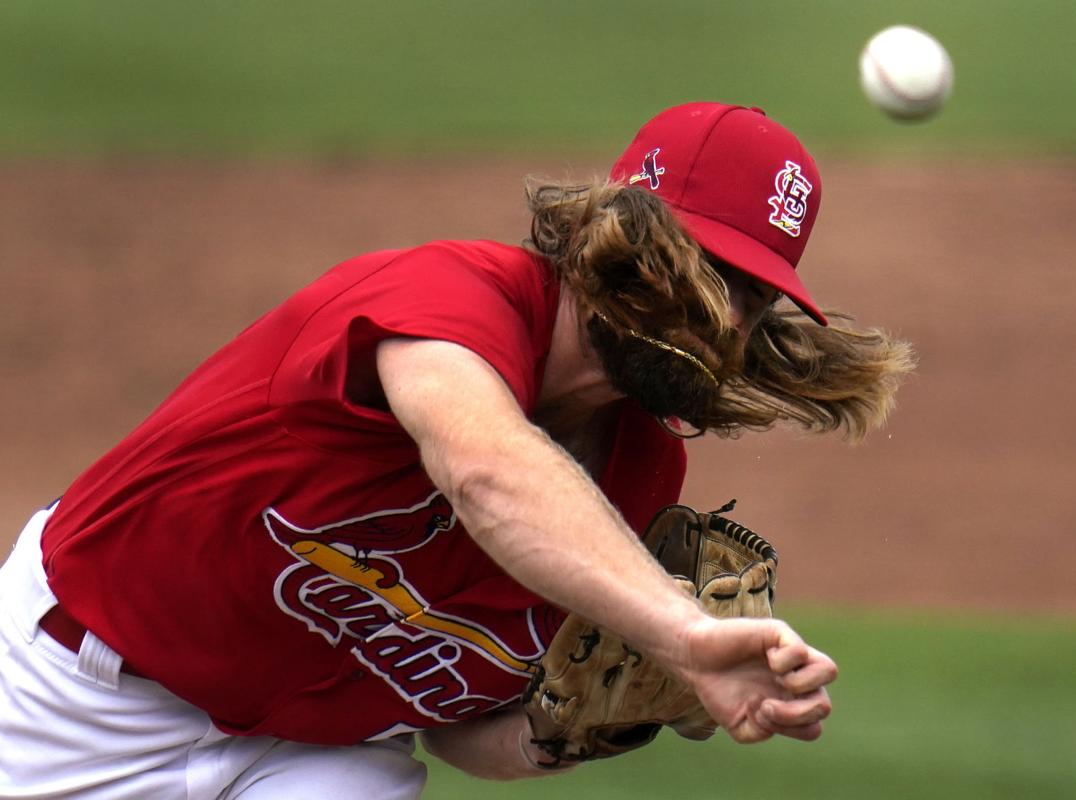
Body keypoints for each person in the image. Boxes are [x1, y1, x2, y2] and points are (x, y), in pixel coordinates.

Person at [0, 101, 914, 798]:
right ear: (619, 238)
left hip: (322, 760)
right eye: (711, 274)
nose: (729, 319)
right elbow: (487, 473)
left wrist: (555, 734)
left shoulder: (638, 476)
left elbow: (458, 726)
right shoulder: (448, 301)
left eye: (755, 296)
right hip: (78, 695)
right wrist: (683, 632)